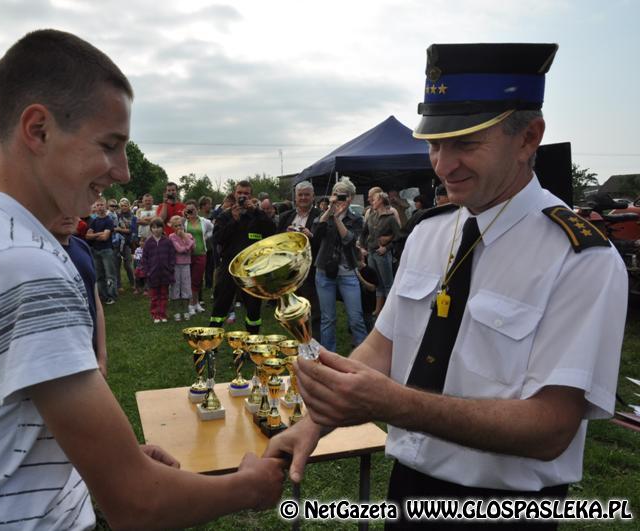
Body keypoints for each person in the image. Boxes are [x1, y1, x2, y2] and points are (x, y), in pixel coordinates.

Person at [0, 29, 283, 531]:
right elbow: (136, 503)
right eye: (109, 145)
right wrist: (252, 485)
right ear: (38, 130)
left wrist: (104, 461)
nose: (122, 171)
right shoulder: (18, 262)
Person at [265, 43, 626, 530]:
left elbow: (551, 427)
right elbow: (384, 345)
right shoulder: (431, 233)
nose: (442, 165)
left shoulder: (580, 258)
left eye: (466, 144)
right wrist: (315, 423)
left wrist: (393, 404)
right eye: (435, 144)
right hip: (408, 491)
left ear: (528, 138)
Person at [209, 180, 276, 333]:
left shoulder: (257, 215)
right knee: (221, 303)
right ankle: (212, 338)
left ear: (251, 196)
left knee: (253, 307)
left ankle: (252, 339)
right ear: (234, 194)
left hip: (252, 268)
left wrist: (257, 211)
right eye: (239, 193)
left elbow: (272, 231)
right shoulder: (225, 216)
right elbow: (217, 238)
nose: (242, 196)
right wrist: (234, 220)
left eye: (246, 194)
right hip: (229, 266)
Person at [311, 177, 367, 352]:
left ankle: (363, 356)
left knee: (356, 318)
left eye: (343, 195)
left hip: (348, 272)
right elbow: (316, 233)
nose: (339, 198)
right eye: (336, 194)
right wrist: (330, 210)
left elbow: (349, 240)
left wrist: (337, 218)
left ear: (350, 198)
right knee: (328, 319)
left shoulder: (356, 219)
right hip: (324, 271)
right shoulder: (325, 215)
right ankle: (329, 357)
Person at [49, 214, 108, 378]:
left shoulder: (82, 246)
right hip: (61, 358)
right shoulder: (38, 252)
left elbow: (96, 304)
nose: (68, 215)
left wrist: (102, 355)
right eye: (60, 209)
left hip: (90, 350)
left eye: (73, 209)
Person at [277, 180, 322, 344]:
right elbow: (276, 242)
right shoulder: (285, 217)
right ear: (295, 197)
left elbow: (324, 243)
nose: (303, 198)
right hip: (291, 270)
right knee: (294, 309)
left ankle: (314, 344)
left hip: (311, 269)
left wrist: (311, 236)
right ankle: (298, 341)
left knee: (313, 309)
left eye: (306, 195)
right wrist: (285, 234)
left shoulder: (320, 216)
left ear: (313, 196)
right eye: (300, 195)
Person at [359, 192, 400, 317]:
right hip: (371, 252)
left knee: (388, 283)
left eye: (375, 199)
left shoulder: (390, 218)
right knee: (377, 283)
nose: (372, 202)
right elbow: (364, 232)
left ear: (381, 201)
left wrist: (386, 248)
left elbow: (399, 236)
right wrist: (362, 247)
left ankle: (391, 312)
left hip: (382, 254)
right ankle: (378, 310)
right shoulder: (372, 216)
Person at [142, 217, 176, 323]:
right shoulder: (148, 242)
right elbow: (144, 258)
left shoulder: (167, 241)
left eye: (158, 227)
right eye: (154, 227)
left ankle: (162, 313)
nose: (156, 230)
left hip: (165, 273)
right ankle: (155, 314)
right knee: (154, 296)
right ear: (151, 229)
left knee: (164, 295)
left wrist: (170, 268)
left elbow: (172, 256)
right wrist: (147, 271)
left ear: (163, 228)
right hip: (153, 274)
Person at [86, 197, 117, 304]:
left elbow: (105, 237)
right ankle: (103, 296)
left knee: (109, 274)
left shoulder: (109, 220)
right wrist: (99, 233)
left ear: (105, 206)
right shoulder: (94, 221)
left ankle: (111, 295)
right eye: (97, 205)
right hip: (96, 251)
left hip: (107, 250)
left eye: (101, 205)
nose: (99, 207)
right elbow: (87, 236)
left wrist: (94, 236)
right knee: (99, 275)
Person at [184, 201, 213, 315]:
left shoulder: (204, 221)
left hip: (201, 253)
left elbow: (212, 229)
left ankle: (195, 303)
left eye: (193, 209)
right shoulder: (184, 222)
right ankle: (191, 303)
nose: (191, 211)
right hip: (187, 254)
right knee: (189, 279)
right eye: (188, 210)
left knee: (197, 279)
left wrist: (205, 236)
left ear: (197, 209)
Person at [114, 197, 137, 292]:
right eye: (122, 205)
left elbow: (132, 230)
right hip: (117, 243)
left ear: (129, 205)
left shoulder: (133, 217)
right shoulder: (117, 215)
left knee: (128, 265)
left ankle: (133, 283)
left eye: (125, 205)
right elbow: (114, 227)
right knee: (117, 264)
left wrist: (120, 229)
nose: (124, 207)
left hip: (127, 243)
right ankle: (119, 285)